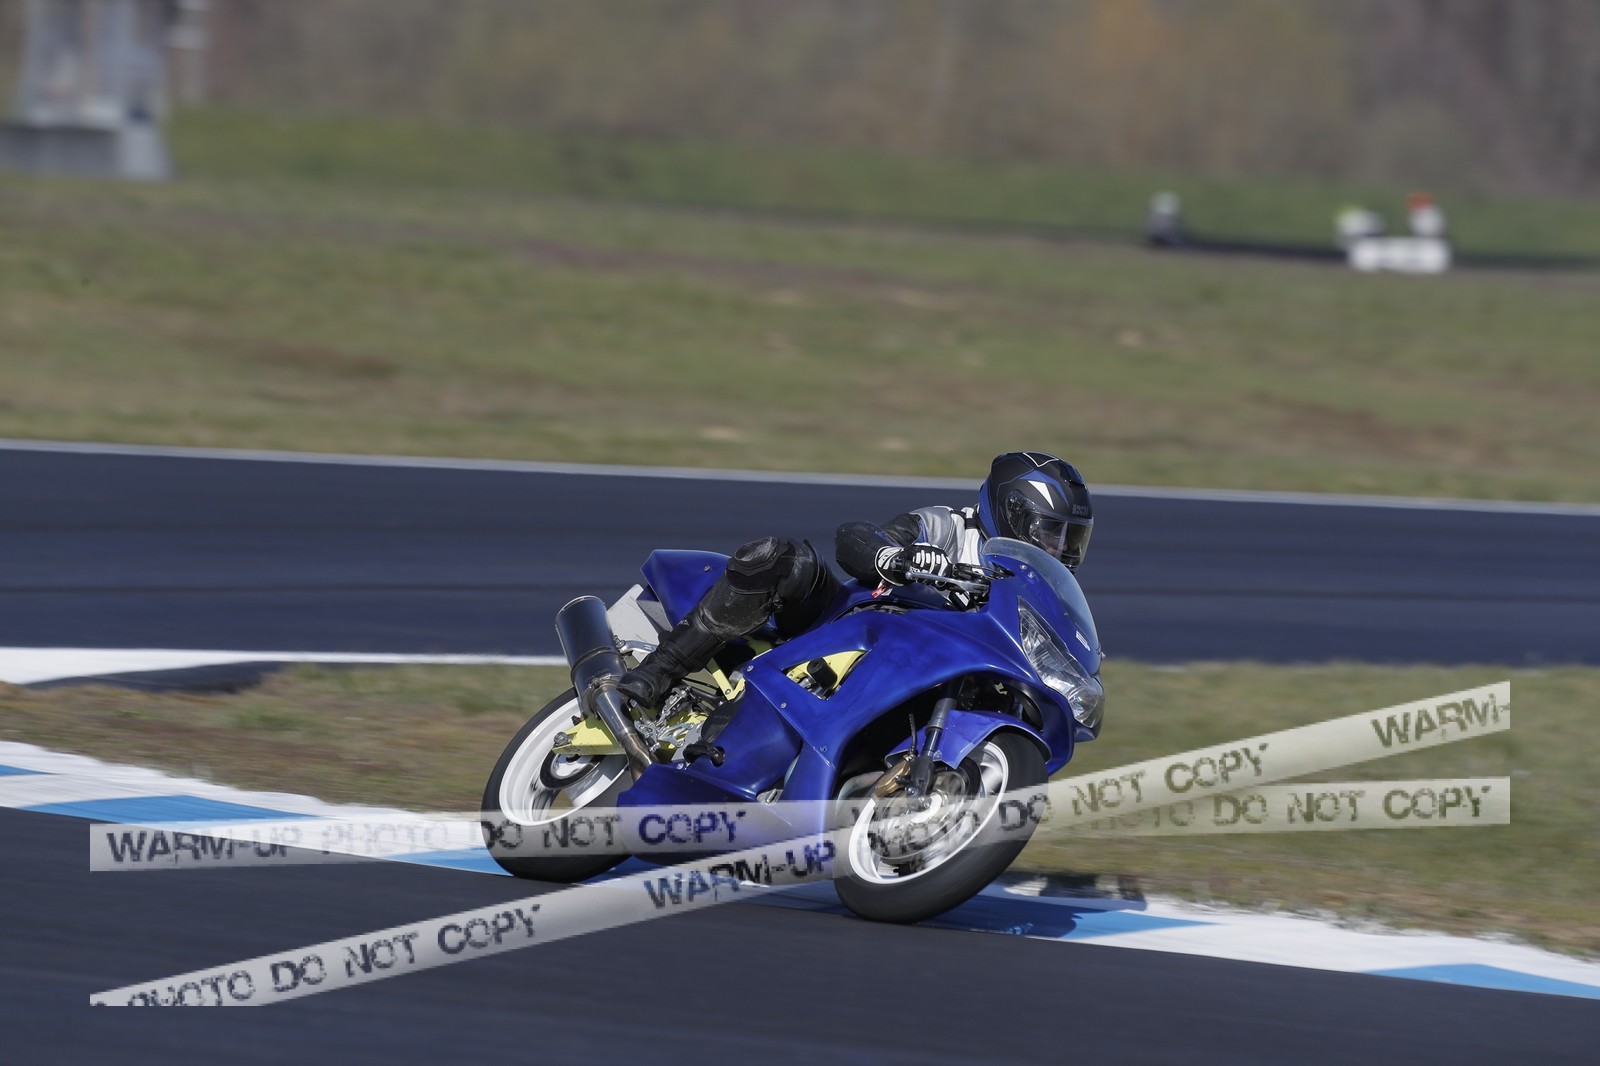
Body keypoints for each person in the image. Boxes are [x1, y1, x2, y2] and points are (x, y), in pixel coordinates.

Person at [616, 451, 1094, 710]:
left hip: (921, 676)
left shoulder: (1040, 594)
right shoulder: (951, 527)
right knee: (784, 558)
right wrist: (896, 555)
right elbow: (860, 538)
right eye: (1051, 533)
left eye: (1072, 539)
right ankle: (658, 670)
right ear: (1011, 511)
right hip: (850, 629)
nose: (1061, 549)